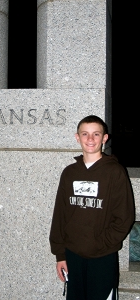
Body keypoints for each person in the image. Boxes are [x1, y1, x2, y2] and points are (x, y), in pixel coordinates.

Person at [49, 115, 135, 300]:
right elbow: (60, 215)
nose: (90, 139)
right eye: (85, 134)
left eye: (96, 134)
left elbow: (124, 217)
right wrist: (60, 254)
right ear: (77, 137)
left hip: (103, 256)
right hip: (72, 255)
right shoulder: (69, 173)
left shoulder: (115, 172)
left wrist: (102, 243)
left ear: (104, 138)